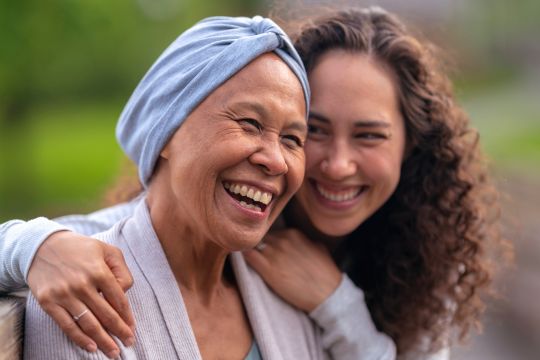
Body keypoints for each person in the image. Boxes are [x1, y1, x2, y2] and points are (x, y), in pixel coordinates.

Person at [1, 6, 504, 360]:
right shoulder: (224, 228)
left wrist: (337, 305)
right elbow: (111, 229)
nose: (336, 164)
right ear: (168, 132)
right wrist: (33, 244)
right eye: (317, 132)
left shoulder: (422, 266)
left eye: (291, 136)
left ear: (410, 152)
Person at [21, 14, 351, 360]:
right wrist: (26, 246)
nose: (277, 161)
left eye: (292, 139)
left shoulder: (286, 295)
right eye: (250, 123)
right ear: (167, 131)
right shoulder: (84, 299)